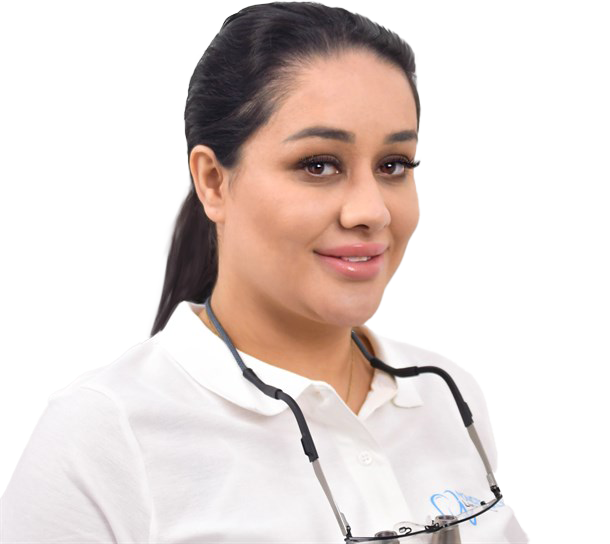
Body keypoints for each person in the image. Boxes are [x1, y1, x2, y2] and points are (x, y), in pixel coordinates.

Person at [1, 2, 530, 542]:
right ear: (213, 181)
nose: (371, 211)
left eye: (393, 165)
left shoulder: (447, 393)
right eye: (318, 165)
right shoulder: (102, 435)